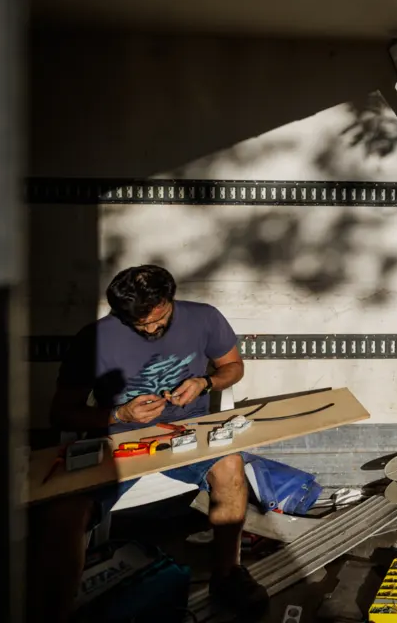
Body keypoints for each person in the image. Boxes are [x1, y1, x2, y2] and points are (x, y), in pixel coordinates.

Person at [29, 265, 269, 622]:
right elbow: (62, 413)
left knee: (231, 466)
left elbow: (233, 366)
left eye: (160, 319)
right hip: (119, 445)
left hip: (189, 435)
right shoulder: (92, 339)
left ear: (170, 299)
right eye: (140, 325)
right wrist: (119, 416)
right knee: (65, 513)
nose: (152, 329)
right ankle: (58, 612)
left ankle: (227, 574)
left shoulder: (204, 318)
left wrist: (205, 383)